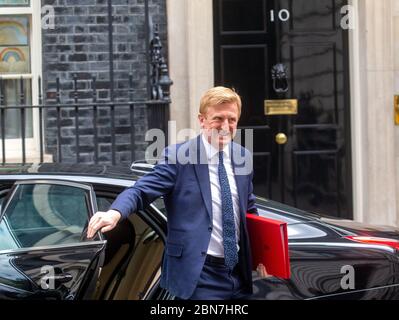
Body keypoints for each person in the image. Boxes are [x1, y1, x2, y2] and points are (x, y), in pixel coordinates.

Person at [87, 86, 259, 300]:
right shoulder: (179, 157)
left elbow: (249, 209)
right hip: (199, 275)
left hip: (238, 275)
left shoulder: (242, 156)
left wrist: (262, 257)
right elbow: (141, 191)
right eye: (218, 119)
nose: (225, 126)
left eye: (231, 119)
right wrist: (114, 213)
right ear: (202, 120)